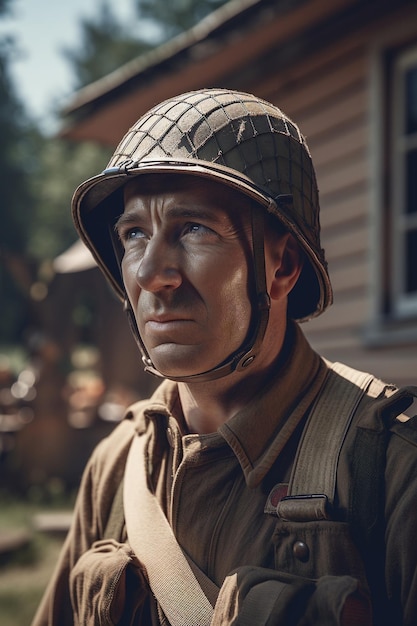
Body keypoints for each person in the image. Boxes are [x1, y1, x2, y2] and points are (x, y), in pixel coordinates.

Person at [32, 89, 417, 626]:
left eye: (194, 228)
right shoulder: (119, 464)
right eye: (134, 234)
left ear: (281, 266)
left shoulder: (392, 466)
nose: (149, 274)